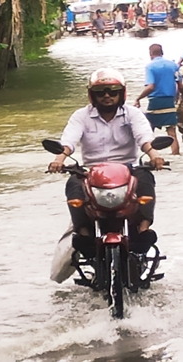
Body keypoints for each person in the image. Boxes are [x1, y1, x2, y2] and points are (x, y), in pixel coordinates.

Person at [48, 68, 165, 257]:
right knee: (73, 185)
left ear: (122, 93)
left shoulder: (132, 114)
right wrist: (58, 159)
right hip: (90, 172)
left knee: (145, 179)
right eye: (100, 92)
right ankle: (84, 234)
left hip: (127, 170)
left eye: (113, 91)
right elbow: (69, 141)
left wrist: (154, 156)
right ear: (92, 95)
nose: (107, 96)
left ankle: (143, 230)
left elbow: (144, 138)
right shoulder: (81, 116)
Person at [135, 44, 183, 155]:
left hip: (155, 101)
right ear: (162, 52)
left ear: (150, 54)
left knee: (148, 131)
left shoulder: (150, 67)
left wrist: (138, 98)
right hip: (170, 101)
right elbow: (181, 85)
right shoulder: (173, 65)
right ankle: (176, 156)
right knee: (172, 133)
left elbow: (151, 87)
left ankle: (152, 156)